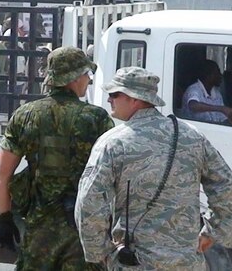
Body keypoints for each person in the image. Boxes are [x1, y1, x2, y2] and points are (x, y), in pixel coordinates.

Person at [76, 67, 232, 268]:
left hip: (135, 262)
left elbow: (89, 202)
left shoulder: (113, 142)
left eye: (114, 94)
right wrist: (214, 231)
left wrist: (101, 253)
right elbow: (226, 187)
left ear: (134, 98)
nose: (109, 100)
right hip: (187, 262)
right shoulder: (192, 136)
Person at [0, 46, 114, 270]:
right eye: (86, 74)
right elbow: (111, 176)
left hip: (39, 230)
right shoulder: (96, 118)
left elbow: (3, 173)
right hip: (82, 230)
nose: (89, 80)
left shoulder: (25, 114)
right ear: (74, 78)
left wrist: (4, 218)